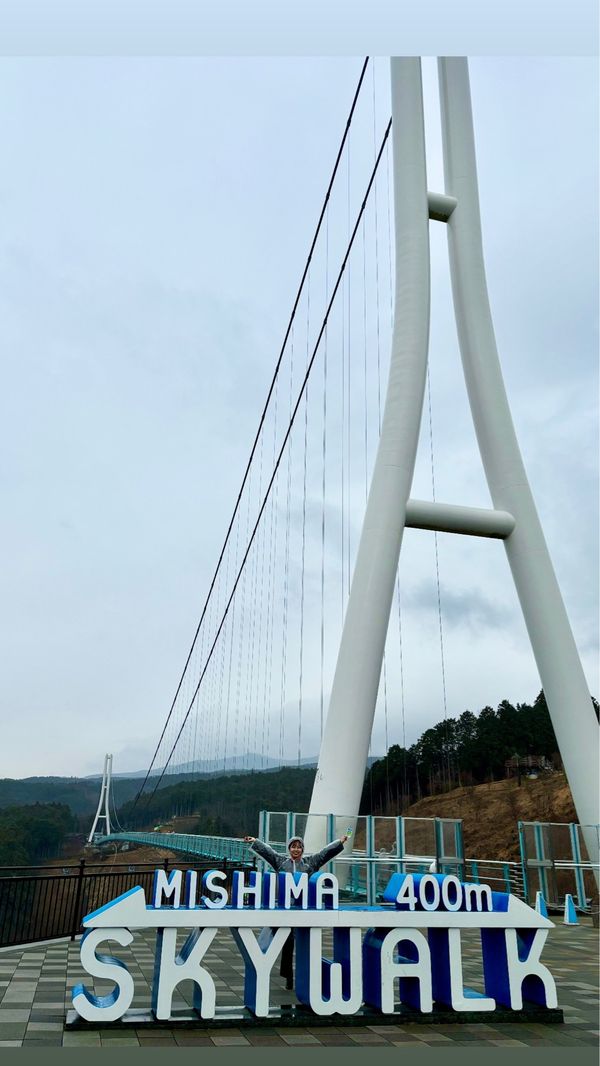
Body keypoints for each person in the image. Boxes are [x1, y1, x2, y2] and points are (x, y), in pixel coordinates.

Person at [244, 832, 348, 989]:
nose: (296, 849)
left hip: (303, 910)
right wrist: (255, 841)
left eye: (299, 847)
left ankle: (307, 975)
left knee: (306, 942)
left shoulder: (310, 863)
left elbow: (325, 853)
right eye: (293, 846)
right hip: (285, 910)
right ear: (289, 849)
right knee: (287, 943)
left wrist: (339, 842)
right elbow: (268, 851)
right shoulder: (281, 862)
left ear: (303, 849)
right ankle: (288, 976)